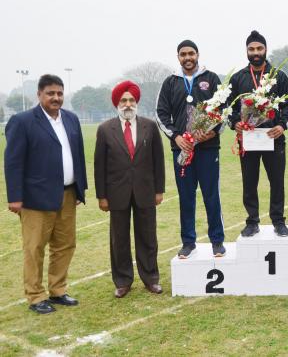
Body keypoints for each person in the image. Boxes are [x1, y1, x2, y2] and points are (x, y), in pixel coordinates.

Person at [4, 74, 87, 314]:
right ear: (39, 94)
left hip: (68, 194)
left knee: (65, 245)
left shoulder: (71, 119)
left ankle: (58, 290)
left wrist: (80, 188)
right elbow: (13, 162)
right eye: (50, 93)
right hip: (35, 198)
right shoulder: (22, 121)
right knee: (34, 247)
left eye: (59, 93)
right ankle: (35, 295)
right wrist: (15, 197)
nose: (56, 97)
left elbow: (78, 155)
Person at [95, 81, 165, 298]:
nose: (127, 104)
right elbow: (99, 165)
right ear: (117, 103)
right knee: (119, 239)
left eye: (131, 100)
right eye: (123, 100)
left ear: (136, 102)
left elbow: (158, 160)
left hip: (145, 190)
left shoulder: (149, 126)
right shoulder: (106, 129)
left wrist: (159, 190)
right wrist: (102, 196)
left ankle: (151, 278)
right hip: (117, 193)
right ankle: (123, 281)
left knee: (147, 236)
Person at [156, 40, 226, 258]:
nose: (187, 57)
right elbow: (161, 114)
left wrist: (214, 132)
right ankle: (188, 242)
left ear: (197, 55)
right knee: (186, 196)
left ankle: (217, 240)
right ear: (178, 57)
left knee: (211, 195)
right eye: (183, 54)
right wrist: (176, 137)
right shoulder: (170, 82)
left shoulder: (211, 78)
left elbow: (225, 110)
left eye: (191, 53)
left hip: (208, 148)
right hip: (182, 150)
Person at [227, 30, 288, 237]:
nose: (255, 52)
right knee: (249, 181)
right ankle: (252, 221)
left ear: (265, 50)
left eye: (259, 48)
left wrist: (282, 126)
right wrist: (235, 123)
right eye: (251, 49)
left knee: (277, 181)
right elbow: (228, 107)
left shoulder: (279, 76)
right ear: (246, 51)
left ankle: (278, 220)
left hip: (273, 138)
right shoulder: (238, 78)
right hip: (248, 139)